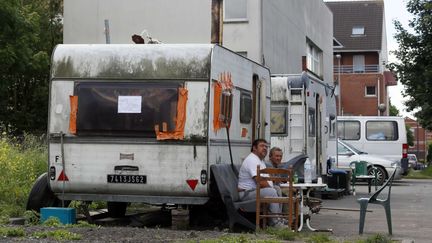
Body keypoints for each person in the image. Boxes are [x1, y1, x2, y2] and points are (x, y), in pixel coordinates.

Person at [237, 139, 284, 227]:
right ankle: (275, 224)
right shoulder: (252, 159)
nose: (265, 148)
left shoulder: (260, 160)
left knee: (277, 189)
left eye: (266, 146)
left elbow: (266, 179)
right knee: (272, 191)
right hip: (246, 194)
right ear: (254, 148)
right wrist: (271, 187)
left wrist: (273, 185)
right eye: (262, 146)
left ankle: (278, 218)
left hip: (255, 191)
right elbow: (260, 182)